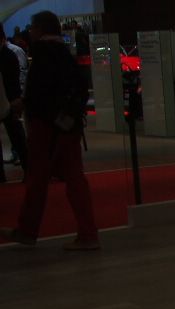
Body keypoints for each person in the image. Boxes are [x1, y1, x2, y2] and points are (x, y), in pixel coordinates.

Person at [0, 10, 98, 249]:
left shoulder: (43, 54)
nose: (30, 31)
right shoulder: (64, 54)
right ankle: (88, 233)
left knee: (38, 179)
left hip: (46, 126)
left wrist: (22, 104)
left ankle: (28, 229)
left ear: (41, 29)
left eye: (33, 27)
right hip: (68, 124)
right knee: (74, 177)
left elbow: (40, 92)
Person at [0, 24, 29, 182]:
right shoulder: (10, 54)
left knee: (17, 136)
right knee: (17, 135)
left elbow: (14, 81)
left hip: (10, 100)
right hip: (10, 99)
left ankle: (28, 168)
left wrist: (16, 100)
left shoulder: (10, 54)